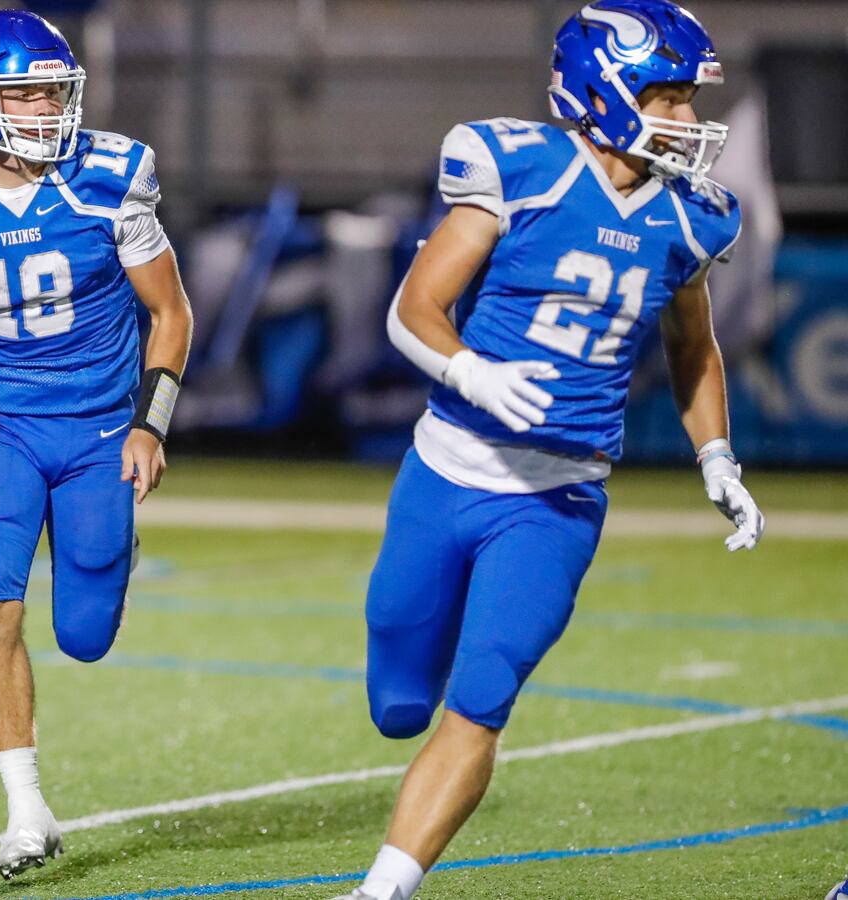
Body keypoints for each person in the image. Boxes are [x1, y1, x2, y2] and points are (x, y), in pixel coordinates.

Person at [333, 3, 765, 899]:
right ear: (603, 91)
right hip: (446, 470)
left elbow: (693, 348)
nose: (687, 119)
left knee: (480, 700)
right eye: (668, 95)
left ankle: (382, 890)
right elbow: (413, 309)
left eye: (690, 98)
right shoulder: (520, 169)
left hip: (559, 499)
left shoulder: (691, 218)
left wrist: (716, 456)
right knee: (397, 702)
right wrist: (474, 375)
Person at [0, 9, 193, 881]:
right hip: (0, 430)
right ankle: (25, 809)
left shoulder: (111, 176)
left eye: (57, 91)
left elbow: (170, 313)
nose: (49, 109)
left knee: (85, 635)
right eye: (27, 93)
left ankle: (109, 549)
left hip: (98, 432)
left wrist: (150, 421)